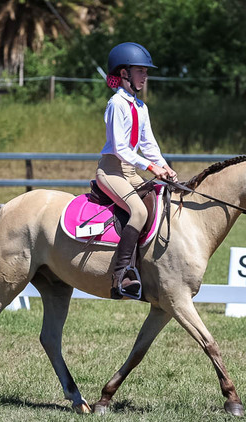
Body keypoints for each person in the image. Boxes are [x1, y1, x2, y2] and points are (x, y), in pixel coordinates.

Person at [97, 42, 177, 300]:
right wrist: (151, 167)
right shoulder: (116, 104)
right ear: (124, 73)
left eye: (146, 71)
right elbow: (120, 147)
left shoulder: (141, 108)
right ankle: (122, 274)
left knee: (161, 202)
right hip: (112, 171)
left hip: (131, 172)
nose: (145, 75)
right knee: (139, 210)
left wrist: (164, 167)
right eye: (140, 70)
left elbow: (149, 145)